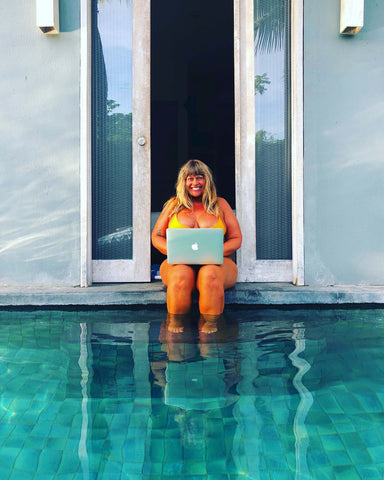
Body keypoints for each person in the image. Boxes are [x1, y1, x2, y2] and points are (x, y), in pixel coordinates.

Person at [151, 159, 242, 332]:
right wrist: (173, 251)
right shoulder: (173, 205)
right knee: (180, 276)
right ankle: (175, 324)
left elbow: (236, 238)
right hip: (178, 263)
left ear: (207, 180)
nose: (195, 183)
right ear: (183, 182)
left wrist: (215, 252)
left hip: (217, 264)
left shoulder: (220, 204)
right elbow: (156, 236)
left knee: (210, 275)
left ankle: (212, 325)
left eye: (199, 178)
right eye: (189, 179)